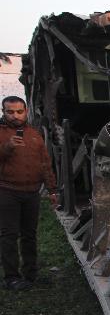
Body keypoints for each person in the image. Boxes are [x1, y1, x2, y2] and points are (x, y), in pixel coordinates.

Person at [0, 96, 57, 291]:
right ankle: (11, 277)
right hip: (7, 191)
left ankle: (30, 274)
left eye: (19, 111)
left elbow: (45, 164)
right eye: (10, 112)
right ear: (3, 112)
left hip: (32, 192)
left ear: (26, 111)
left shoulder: (34, 135)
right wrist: (7, 147)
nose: (15, 116)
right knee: (9, 235)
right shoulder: (1, 133)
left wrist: (52, 189)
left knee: (29, 235)